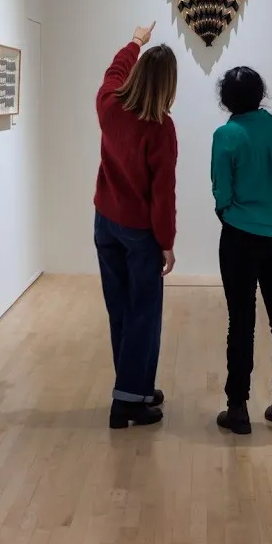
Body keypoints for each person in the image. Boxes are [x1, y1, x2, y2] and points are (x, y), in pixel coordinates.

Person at [94, 22, 179, 429]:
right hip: (140, 233)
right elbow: (163, 194)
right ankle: (127, 401)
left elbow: (114, 71)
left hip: (106, 223)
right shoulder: (160, 128)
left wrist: (135, 42)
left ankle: (137, 387)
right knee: (143, 313)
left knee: (120, 310)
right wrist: (167, 242)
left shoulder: (109, 104)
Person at [211, 67, 272, 435]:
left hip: (240, 238)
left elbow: (221, 190)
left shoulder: (227, 135)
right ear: (261, 94)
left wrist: (229, 214)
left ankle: (238, 408)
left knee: (241, 322)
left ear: (226, 99)